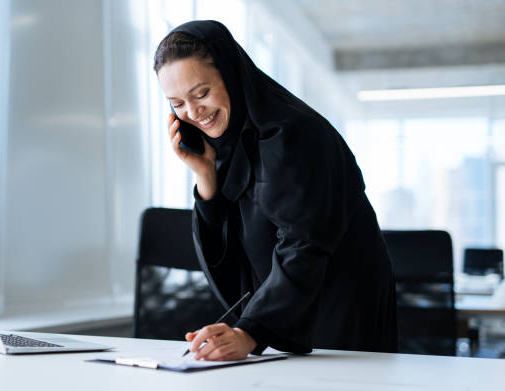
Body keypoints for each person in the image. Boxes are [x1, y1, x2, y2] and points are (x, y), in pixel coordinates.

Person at [154, 20, 398, 361]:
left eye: (202, 93)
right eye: (177, 103)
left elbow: (304, 244)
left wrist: (251, 331)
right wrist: (205, 176)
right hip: (282, 327)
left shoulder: (294, 135)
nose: (193, 113)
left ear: (232, 75)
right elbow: (228, 264)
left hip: (339, 320)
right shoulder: (227, 147)